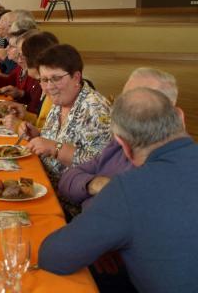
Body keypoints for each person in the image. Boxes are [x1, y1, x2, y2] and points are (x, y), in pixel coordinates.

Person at [38, 87, 198, 293]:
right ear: (180, 116)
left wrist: (105, 240)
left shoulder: (128, 188)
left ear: (123, 145)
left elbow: (53, 256)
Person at [59, 67, 179, 210]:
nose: (124, 109)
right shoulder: (119, 144)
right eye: (124, 98)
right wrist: (94, 183)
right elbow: (67, 180)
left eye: (137, 102)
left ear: (170, 110)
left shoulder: (168, 165)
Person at [20, 44, 111, 191]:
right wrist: (38, 134)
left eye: (56, 78)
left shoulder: (95, 110)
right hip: (42, 183)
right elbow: (62, 137)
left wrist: (54, 148)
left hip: (67, 201)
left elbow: (101, 165)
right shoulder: (62, 99)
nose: (49, 86)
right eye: (44, 79)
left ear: (76, 77)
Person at [2, 31, 58, 132]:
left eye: (22, 55)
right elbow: (43, 122)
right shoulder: (42, 81)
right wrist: (26, 116)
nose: (19, 59)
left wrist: (20, 126)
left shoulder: (56, 88)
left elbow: (56, 137)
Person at [0, 30, 42, 115]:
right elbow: (11, 81)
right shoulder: (21, 68)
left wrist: (21, 95)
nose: (6, 49)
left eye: (11, 46)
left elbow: (34, 110)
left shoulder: (37, 76)